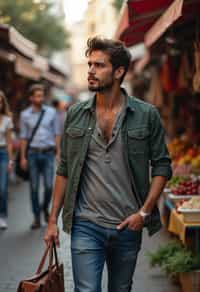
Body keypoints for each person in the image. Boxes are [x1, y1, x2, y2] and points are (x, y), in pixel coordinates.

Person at [44, 37, 172, 292]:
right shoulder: (76, 113)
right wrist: (51, 222)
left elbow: (162, 166)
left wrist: (144, 213)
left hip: (128, 225)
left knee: (120, 289)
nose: (90, 70)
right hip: (85, 224)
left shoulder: (146, 115)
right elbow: (65, 168)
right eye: (89, 64)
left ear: (119, 71)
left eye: (99, 65)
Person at [20, 84, 61, 229]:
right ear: (31, 98)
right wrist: (23, 157)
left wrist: (58, 152)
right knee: (34, 187)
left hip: (48, 153)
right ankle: (37, 217)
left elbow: (57, 133)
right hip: (32, 154)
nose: (40, 98)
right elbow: (24, 137)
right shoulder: (25, 115)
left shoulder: (51, 112)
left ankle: (44, 208)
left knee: (50, 186)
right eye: (37, 96)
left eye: (41, 95)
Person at [0, 90, 13, 229]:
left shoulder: (7, 119)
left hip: (3, 153)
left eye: (0, 101)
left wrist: (10, 160)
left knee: (2, 188)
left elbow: (9, 142)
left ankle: (2, 216)